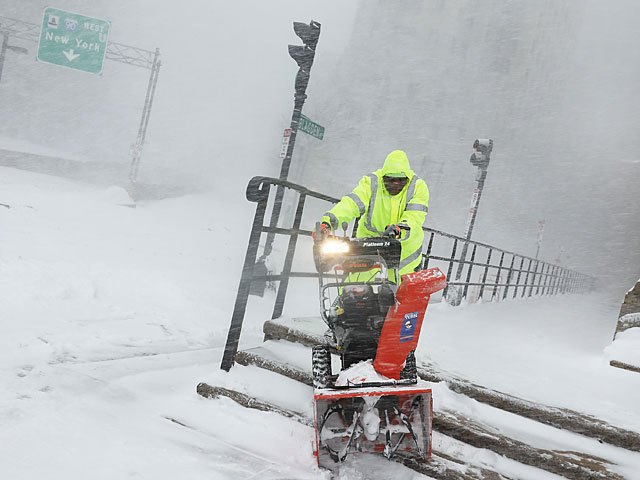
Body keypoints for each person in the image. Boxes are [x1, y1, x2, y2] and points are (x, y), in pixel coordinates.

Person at [318, 150, 429, 279]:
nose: (396, 184)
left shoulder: (418, 187)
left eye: (401, 180)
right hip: (369, 243)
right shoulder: (371, 182)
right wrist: (329, 222)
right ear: (383, 177)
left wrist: (401, 229)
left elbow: (415, 216)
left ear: (407, 179)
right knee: (354, 286)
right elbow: (352, 203)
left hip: (405, 247)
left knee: (404, 291)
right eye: (391, 180)